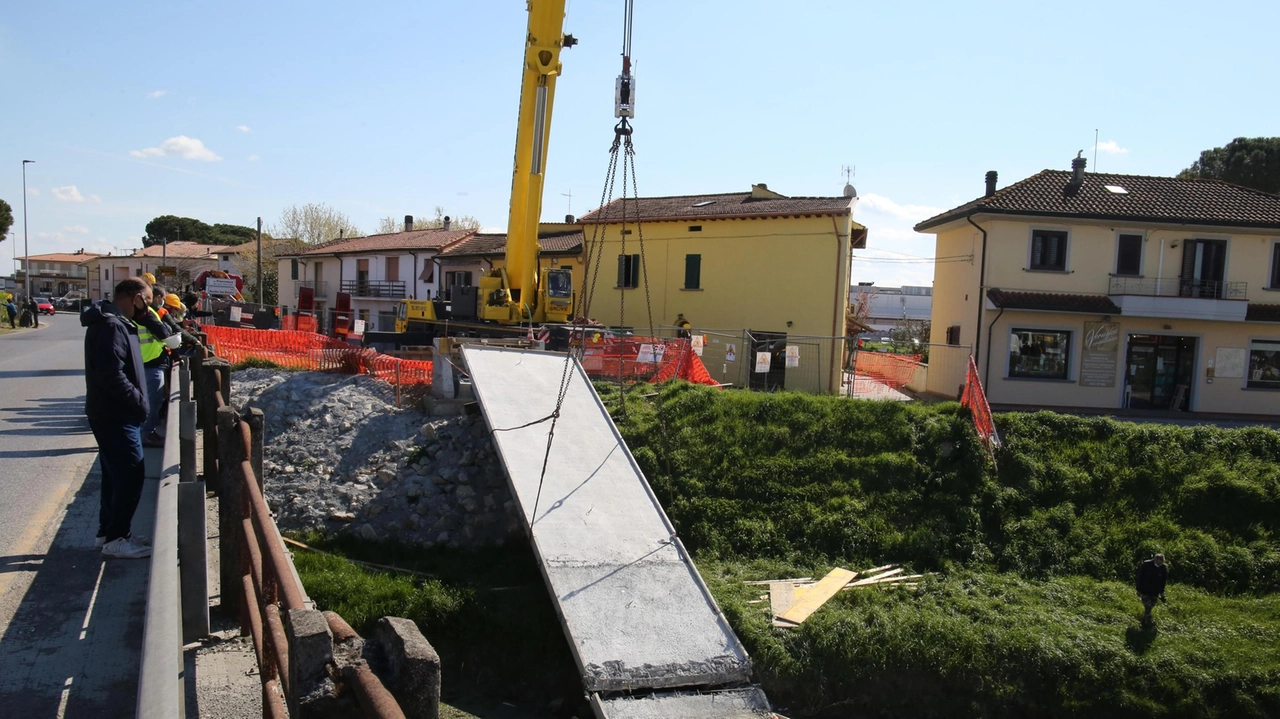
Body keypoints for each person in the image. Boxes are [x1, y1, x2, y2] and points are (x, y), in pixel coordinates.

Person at [82, 278, 154, 559]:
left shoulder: (110, 322)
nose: (148, 307)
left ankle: (108, 532)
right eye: (146, 300)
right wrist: (139, 403)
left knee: (114, 475)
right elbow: (111, 374)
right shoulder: (112, 325)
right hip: (116, 413)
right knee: (131, 474)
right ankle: (117, 539)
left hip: (111, 412)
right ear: (135, 297)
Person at [137, 286, 174, 447]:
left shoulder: (138, 313)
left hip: (143, 362)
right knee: (153, 400)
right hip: (151, 363)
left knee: (145, 400)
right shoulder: (146, 314)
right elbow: (164, 332)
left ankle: (144, 432)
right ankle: (146, 433)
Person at [1135, 553, 1168, 626]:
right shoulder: (1146, 565)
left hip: (1155, 591)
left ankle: (1145, 620)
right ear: (1155, 560)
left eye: (1161, 563)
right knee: (1148, 605)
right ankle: (1148, 622)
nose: (1160, 565)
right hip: (1145, 590)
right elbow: (1140, 577)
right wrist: (1138, 589)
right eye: (1159, 563)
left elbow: (1163, 581)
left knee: (1151, 605)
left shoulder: (1163, 568)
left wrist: (1162, 593)